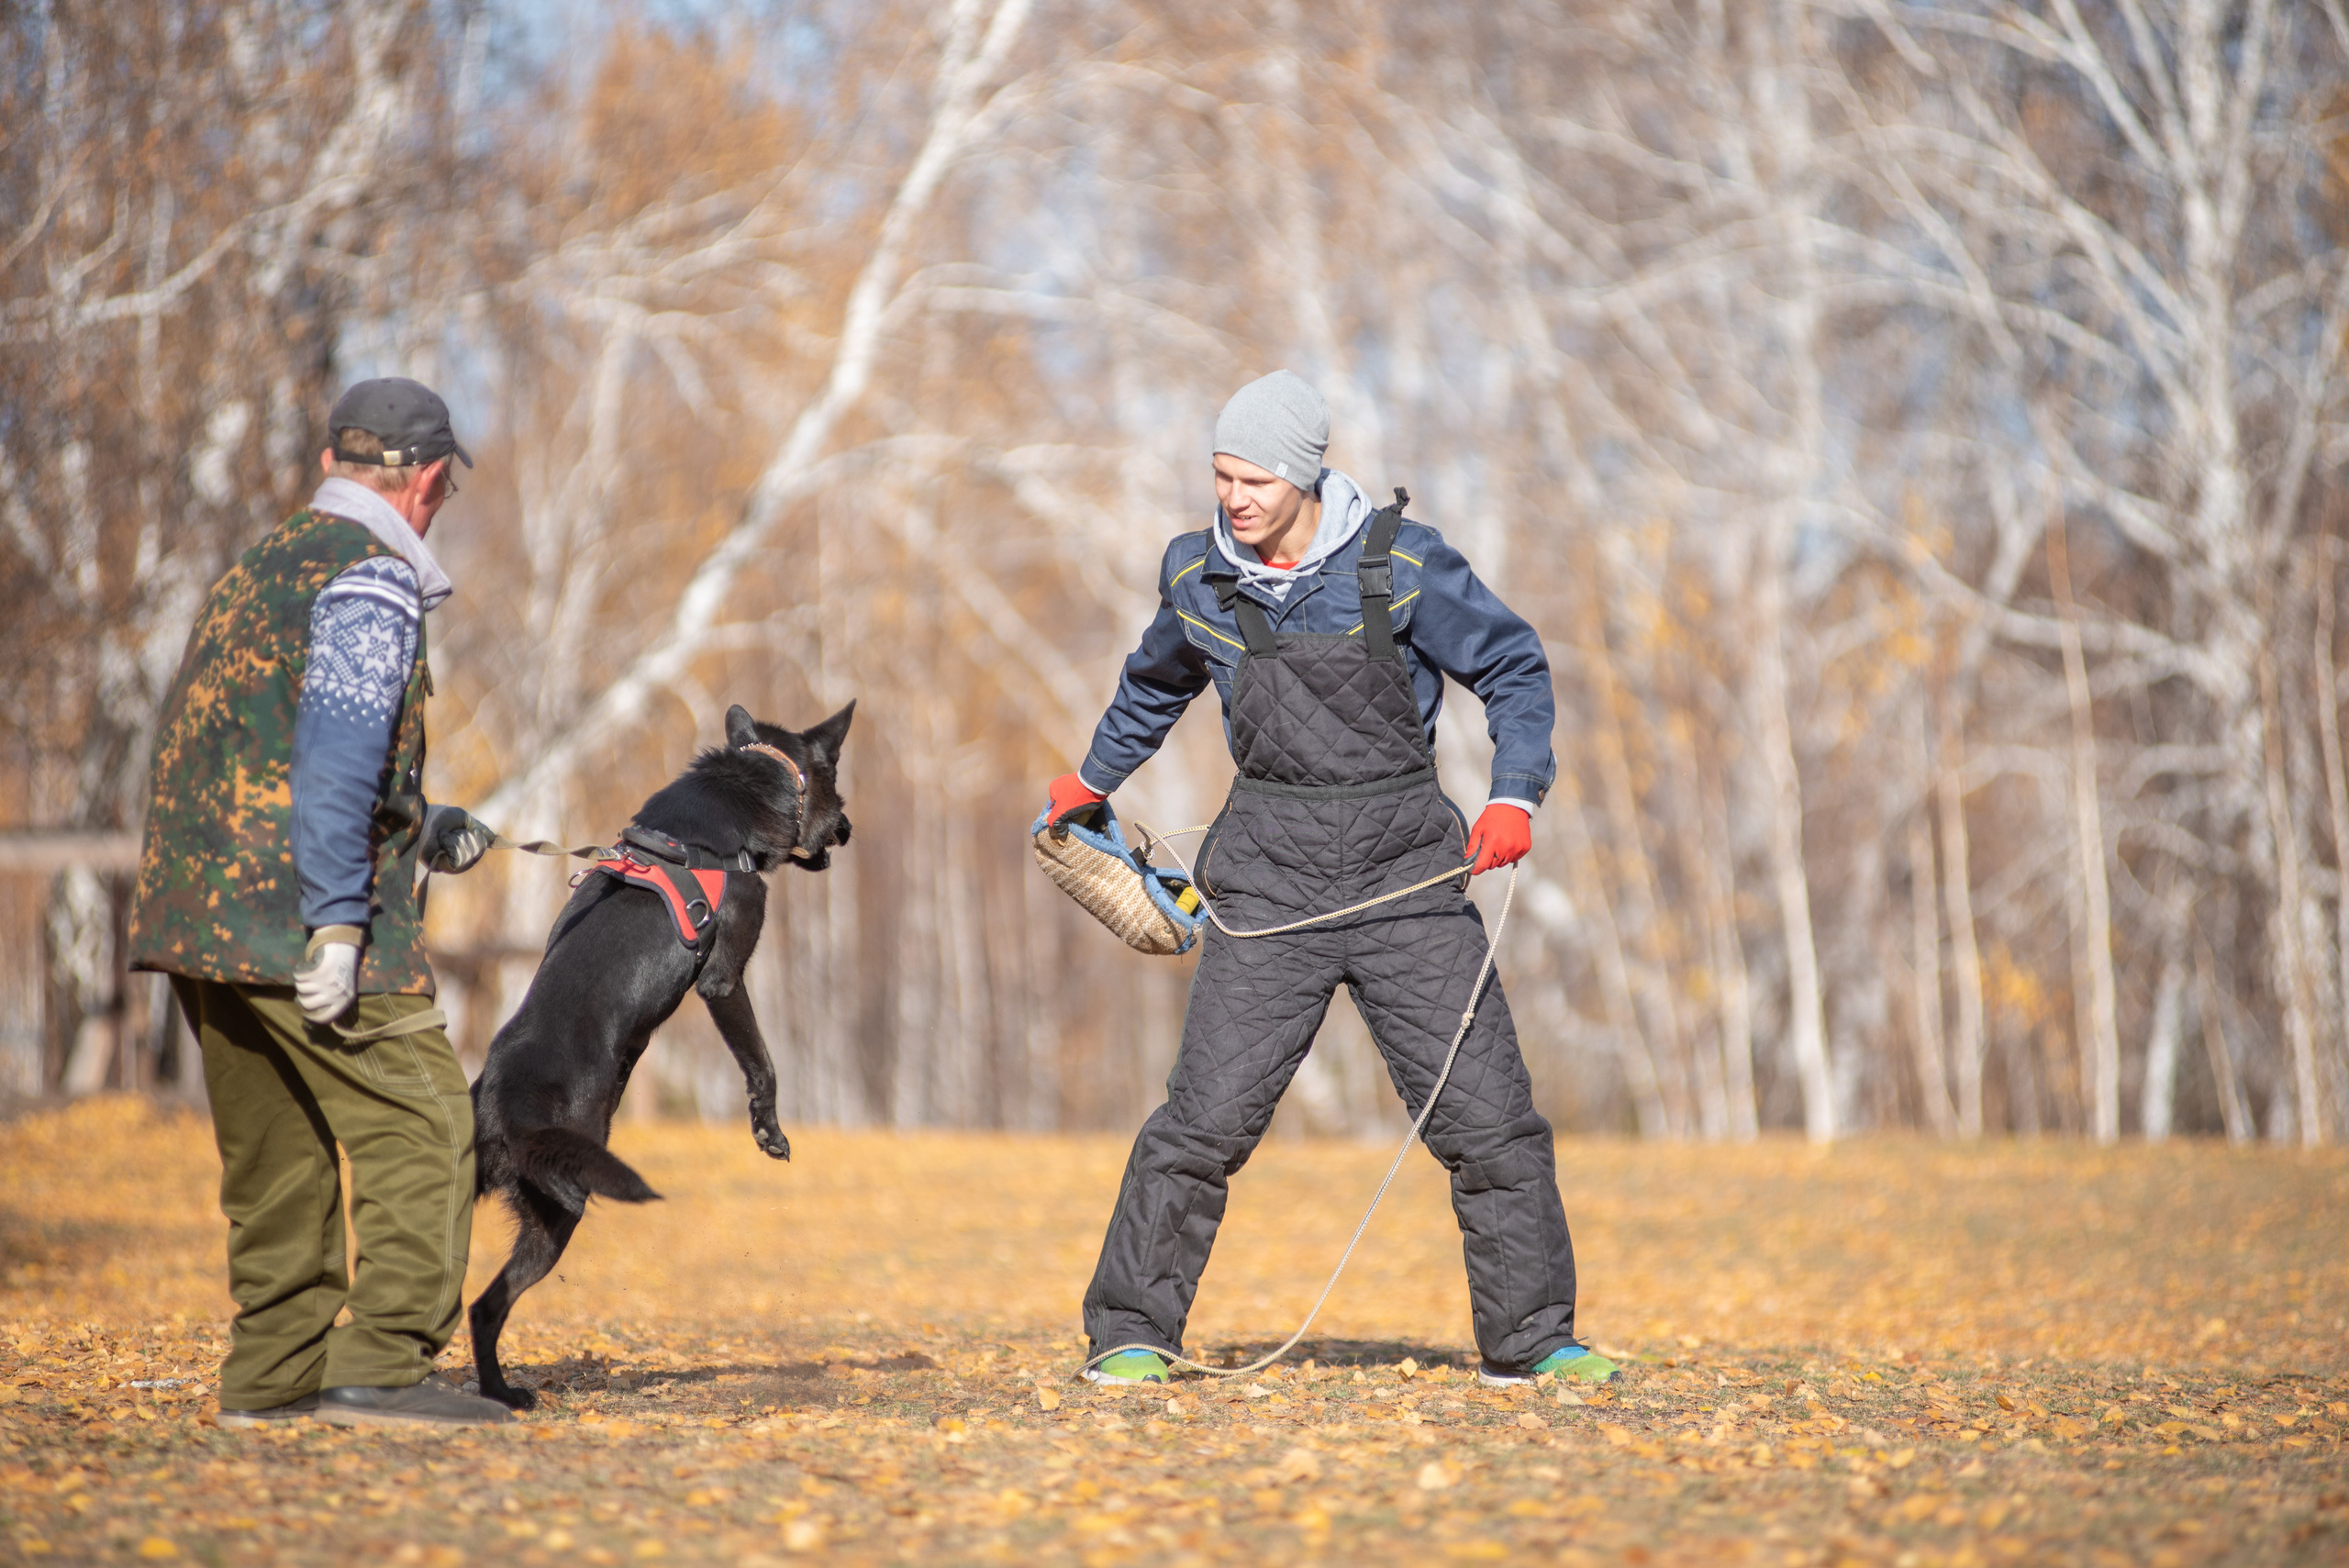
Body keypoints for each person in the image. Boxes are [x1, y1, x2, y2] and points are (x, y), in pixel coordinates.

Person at [1050, 371, 1619, 1389]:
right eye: (1221, 475)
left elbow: (1514, 666)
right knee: (1202, 1121)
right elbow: (1154, 685)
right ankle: (1131, 1331)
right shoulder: (1198, 576)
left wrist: (1513, 795)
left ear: (1305, 475)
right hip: (1268, 882)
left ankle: (1533, 1341)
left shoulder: (1403, 564)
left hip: (1408, 880)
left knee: (1490, 1119)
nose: (1233, 498)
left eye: (1255, 479)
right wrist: (1090, 781)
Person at [128, 377, 511, 1428]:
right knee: (423, 1123)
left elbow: (262, 745)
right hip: (305, 917)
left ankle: (276, 1375)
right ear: (427, 478)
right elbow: (336, 760)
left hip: (199, 918)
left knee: (279, 1152)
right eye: (447, 488)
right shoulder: (372, 578)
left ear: (336, 462)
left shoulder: (257, 567)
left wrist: (419, 823)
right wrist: (340, 922)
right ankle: (380, 1365)